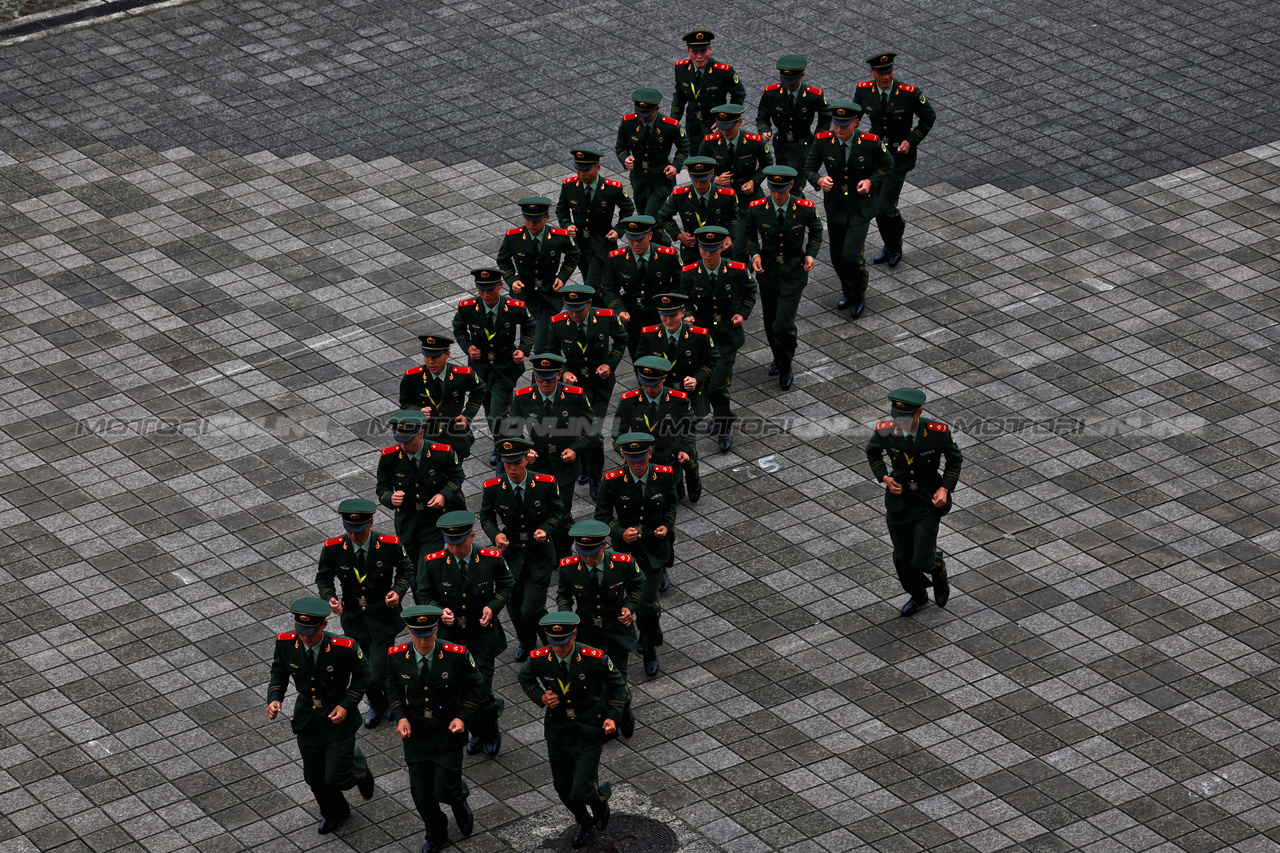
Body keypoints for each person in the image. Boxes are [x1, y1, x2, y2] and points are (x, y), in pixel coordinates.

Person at [517, 612, 628, 849]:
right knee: (563, 789)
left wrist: (613, 718)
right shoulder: (540, 658)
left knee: (580, 790)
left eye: (564, 642)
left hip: (588, 727)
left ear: (574, 635)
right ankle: (584, 821)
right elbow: (524, 678)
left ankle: (599, 801)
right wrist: (541, 696)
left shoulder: (593, 657)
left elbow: (619, 687)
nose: (558, 648)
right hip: (558, 730)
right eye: (553, 642)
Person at [267, 597, 375, 836]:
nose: (306, 637)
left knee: (337, 777)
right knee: (314, 777)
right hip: (307, 717)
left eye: (311, 632)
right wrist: (275, 698)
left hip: (337, 716)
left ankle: (358, 767)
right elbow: (279, 672)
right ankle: (334, 811)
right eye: (301, 631)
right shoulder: (286, 643)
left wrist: (348, 704)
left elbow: (364, 675)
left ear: (324, 625)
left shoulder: (343, 647)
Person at [388, 605, 486, 853]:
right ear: (409, 631)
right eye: (417, 634)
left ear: (437, 629)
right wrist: (400, 718)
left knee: (445, 787)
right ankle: (435, 833)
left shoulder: (457, 654)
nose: (423, 640)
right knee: (421, 793)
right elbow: (394, 689)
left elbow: (476, 687)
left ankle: (458, 799)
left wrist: (463, 717)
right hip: (417, 732)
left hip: (447, 729)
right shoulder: (397, 655)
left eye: (428, 634)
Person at [418, 511, 514, 756]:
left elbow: (506, 583)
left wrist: (492, 607)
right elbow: (424, 594)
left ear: (471, 535)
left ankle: (490, 729)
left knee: (480, 691)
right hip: (451, 639)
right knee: (459, 693)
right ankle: (477, 731)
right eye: (450, 543)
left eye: (460, 542)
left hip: (482, 636)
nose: (455, 548)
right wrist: (439, 611)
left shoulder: (490, 557)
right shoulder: (433, 561)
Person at [865, 387, 963, 616]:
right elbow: (873, 453)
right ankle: (918, 595)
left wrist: (944, 489)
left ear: (919, 412)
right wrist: (885, 478)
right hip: (899, 501)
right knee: (902, 559)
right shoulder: (885, 431)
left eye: (906, 418)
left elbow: (954, 461)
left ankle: (937, 570)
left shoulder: (938, 432)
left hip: (927, 500)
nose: (901, 423)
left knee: (921, 560)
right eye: (897, 418)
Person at [315, 498, 412, 729]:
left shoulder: (389, 544)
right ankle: (379, 705)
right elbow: (323, 577)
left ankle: (391, 701)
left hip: (382, 616)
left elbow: (406, 568)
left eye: (359, 530)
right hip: (355, 618)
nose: (354, 535)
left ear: (371, 523)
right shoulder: (334, 548)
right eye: (349, 530)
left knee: (376, 672)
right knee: (361, 667)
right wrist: (329, 597)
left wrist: (398, 591)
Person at [594, 433, 679, 676]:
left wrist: (667, 526)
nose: (637, 465)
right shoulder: (612, 480)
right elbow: (602, 517)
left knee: (646, 606)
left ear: (650, 454)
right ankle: (646, 638)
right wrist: (619, 532)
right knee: (632, 603)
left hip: (654, 549)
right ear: (623, 456)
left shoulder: (663, 474)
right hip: (627, 552)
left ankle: (650, 647)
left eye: (641, 459)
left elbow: (671, 506)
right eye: (632, 460)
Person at [802, 103, 893, 321]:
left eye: (843, 125)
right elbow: (808, 168)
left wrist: (871, 181)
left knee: (851, 255)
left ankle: (859, 290)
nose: (838, 129)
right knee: (836, 256)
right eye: (835, 124)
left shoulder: (870, 143)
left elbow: (887, 164)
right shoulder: (824, 140)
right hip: (836, 206)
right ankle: (848, 291)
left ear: (856, 122)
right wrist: (819, 180)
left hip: (861, 207)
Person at [480, 437, 563, 662]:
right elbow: (486, 516)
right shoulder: (494, 488)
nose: (512, 468)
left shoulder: (545, 483)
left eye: (517, 462)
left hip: (539, 553)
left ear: (527, 459)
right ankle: (527, 643)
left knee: (531, 609)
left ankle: (552, 638)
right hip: (512, 553)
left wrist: (546, 529)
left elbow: (558, 512)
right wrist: (495, 534)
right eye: (507, 464)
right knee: (515, 609)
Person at [556, 519, 642, 738]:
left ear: (604, 545)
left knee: (618, 676)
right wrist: (567, 617)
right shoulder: (568, 567)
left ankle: (623, 711)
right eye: (584, 553)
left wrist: (629, 607)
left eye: (593, 553)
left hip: (616, 631)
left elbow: (638, 585)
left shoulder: (623, 562)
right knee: (595, 678)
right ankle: (608, 716)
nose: (589, 559)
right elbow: (563, 595)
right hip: (587, 632)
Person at [503, 353, 593, 556]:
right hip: (538, 463)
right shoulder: (522, 397)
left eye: (550, 379)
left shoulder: (574, 395)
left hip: (565, 463)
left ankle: (563, 553)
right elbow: (513, 430)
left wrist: (576, 448)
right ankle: (549, 552)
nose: (544, 384)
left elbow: (590, 428)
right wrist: (526, 450)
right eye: (539, 379)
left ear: (559, 375)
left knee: (561, 512)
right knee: (540, 511)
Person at [742, 165, 822, 391]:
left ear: (790, 187)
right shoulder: (758, 208)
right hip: (768, 271)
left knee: (783, 324)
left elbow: (817, 231)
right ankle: (778, 358)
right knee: (769, 321)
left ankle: (786, 364)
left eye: (782, 189)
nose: (777, 194)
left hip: (793, 271)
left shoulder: (804, 208)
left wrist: (810, 255)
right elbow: (748, 233)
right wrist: (754, 254)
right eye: (773, 189)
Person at [854, 51, 937, 268]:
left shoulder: (908, 93)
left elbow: (929, 117)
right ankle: (890, 245)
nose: (886, 76)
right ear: (872, 73)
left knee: (884, 208)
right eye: (881, 73)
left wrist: (912, 140)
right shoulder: (864, 91)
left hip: (898, 157)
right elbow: (855, 118)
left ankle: (894, 242)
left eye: (889, 71)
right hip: (876, 156)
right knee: (880, 208)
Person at [545, 284, 627, 499]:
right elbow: (551, 352)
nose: (573, 315)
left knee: (593, 433)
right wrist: (563, 373)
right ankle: (584, 467)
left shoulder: (606, 317)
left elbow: (621, 341)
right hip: (574, 386)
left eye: (578, 310)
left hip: (599, 384)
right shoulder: (558, 323)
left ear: (589, 304)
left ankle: (595, 477)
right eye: (569, 309)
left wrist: (610, 364)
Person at [679, 225, 755, 452]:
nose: (708, 254)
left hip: (726, 337)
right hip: (702, 337)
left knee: (715, 387)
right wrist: (689, 316)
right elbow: (684, 302)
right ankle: (724, 416)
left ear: (722, 247)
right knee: (716, 386)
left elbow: (750, 292)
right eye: (704, 249)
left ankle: (724, 427)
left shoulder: (737, 270)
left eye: (713, 249)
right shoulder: (689, 273)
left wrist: (742, 313)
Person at [451, 267, 533, 461]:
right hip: (480, 368)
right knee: (489, 409)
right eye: (481, 290)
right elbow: (459, 329)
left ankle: (516, 448)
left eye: (490, 289)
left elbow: (531, 326)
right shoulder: (468, 307)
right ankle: (501, 445)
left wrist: (523, 349)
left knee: (498, 412)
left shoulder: (514, 307)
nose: (486, 294)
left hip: (504, 367)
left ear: (500, 286)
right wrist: (468, 346)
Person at [375, 410, 466, 570]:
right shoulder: (389, 458)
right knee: (412, 568)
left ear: (421, 433)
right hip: (408, 522)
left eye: (408, 441)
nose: (404, 446)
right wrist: (390, 498)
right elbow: (382, 487)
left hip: (434, 519)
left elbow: (457, 475)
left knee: (428, 566)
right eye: (400, 441)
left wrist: (444, 495)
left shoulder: (441, 453)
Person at [496, 196, 581, 351]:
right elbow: (503, 260)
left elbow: (574, 254)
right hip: (524, 294)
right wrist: (511, 279)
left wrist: (562, 277)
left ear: (547, 217)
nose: (532, 224)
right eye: (528, 219)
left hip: (548, 295)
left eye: (536, 219)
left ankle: (547, 367)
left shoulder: (559, 236)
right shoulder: (513, 237)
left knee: (542, 345)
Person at [611, 355, 699, 502]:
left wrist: (684, 449)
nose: (649, 389)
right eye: (645, 384)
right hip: (643, 452)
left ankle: (691, 476)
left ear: (664, 379)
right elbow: (618, 430)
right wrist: (621, 448)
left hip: (670, 449)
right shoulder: (629, 401)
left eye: (654, 384)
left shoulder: (678, 399)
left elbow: (690, 425)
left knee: (680, 478)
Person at [598, 215, 682, 359]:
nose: (635, 244)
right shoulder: (616, 258)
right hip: (633, 314)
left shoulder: (667, 256)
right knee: (637, 354)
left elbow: (680, 284)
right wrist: (620, 310)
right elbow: (609, 289)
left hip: (660, 312)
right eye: (631, 239)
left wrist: (671, 307)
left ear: (650, 235)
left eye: (639, 239)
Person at [398, 334, 487, 462]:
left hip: (453, 435)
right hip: (427, 436)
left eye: (435, 357)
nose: (430, 362)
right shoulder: (413, 377)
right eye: (427, 356)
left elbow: (480, 389)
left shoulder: (461, 375)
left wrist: (467, 415)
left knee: (454, 476)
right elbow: (405, 403)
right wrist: (418, 411)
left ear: (447, 354)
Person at [556, 147, 635, 290]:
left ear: (598, 167)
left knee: (591, 285)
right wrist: (567, 225)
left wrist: (618, 230)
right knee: (591, 280)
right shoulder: (569, 186)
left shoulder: (612, 188)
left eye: (586, 170)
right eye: (578, 169)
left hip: (602, 243)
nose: (582, 173)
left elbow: (628, 208)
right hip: (580, 243)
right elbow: (561, 209)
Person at [635, 292, 717, 428]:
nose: (668, 321)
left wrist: (697, 378)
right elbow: (639, 361)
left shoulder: (698, 335)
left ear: (682, 312)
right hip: (661, 394)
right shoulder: (649, 335)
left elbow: (713, 359)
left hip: (689, 395)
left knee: (686, 437)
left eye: (673, 315)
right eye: (664, 316)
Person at [614, 88, 690, 217]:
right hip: (639, 178)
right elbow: (621, 147)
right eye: (640, 113)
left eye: (647, 114)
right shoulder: (629, 122)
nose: (643, 118)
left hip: (660, 178)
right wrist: (625, 159)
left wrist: (676, 166)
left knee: (651, 219)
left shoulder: (670, 126)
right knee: (644, 220)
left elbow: (684, 147)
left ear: (657, 109)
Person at [652, 155, 739, 266]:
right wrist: (679, 236)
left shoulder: (726, 196)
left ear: (711, 174)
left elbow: (734, 217)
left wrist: (729, 236)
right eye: (695, 179)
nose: (699, 184)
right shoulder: (680, 196)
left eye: (703, 179)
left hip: (719, 249)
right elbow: (663, 216)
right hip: (691, 251)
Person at [670, 30, 746, 151]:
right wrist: (673, 121)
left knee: (717, 156)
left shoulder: (723, 71)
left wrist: (728, 117)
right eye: (694, 52)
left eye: (703, 51)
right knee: (695, 156)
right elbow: (679, 96)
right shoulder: (681, 68)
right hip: (693, 123)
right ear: (688, 51)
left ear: (709, 50)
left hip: (714, 123)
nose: (699, 56)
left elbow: (739, 93)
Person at [755, 54, 831, 175]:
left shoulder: (813, 96)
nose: (788, 85)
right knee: (784, 179)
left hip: (803, 143)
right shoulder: (771, 93)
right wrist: (764, 130)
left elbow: (826, 116)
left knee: (796, 182)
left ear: (802, 76)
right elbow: (762, 117)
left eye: (792, 81)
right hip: (781, 144)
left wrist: (819, 137)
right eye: (785, 80)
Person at [698, 102, 773, 208]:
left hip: (747, 193)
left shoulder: (755, 142)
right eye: (722, 128)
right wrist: (715, 179)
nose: (725, 132)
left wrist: (754, 182)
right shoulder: (709, 142)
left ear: (740, 122)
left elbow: (767, 164)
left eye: (729, 128)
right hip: (720, 193)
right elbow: (699, 168)